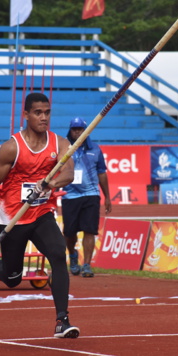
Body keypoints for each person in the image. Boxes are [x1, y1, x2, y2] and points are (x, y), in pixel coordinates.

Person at [0, 92, 79, 339]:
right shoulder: (12, 147)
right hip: (11, 218)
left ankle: (62, 321)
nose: (44, 118)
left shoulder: (59, 144)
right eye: (38, 113)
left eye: (47, 112)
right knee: (13, 278)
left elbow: (69, 174)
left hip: (41, 213)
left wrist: (50, 183)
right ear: (25, 114)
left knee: (58, 253)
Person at [62, 117, 111, 278]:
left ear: (86, 131)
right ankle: (73, 256)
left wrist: (107, 197)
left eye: (80, 129)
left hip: (91, 195)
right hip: (69, 195)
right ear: (70, 130)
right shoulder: (64, 148)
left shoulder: (95, 149)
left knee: (90, 231)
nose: (77, 132)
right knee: (69, 233)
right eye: (74, 129)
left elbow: (102, 174)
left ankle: (87, 264)